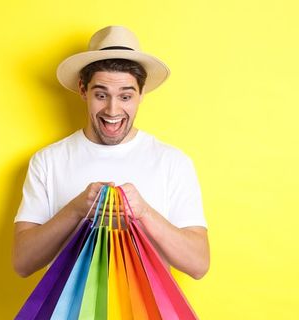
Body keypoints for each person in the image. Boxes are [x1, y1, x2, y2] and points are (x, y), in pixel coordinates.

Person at [12, 26, 209, 280]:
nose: (113, 110)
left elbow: (198, 264)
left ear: (141, 93)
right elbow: (22, 263)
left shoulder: (173, 162)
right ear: (83, 90)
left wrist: (144, 213)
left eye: (125, 96)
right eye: (101, 95)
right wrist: (76, 209)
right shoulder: (48, 161)